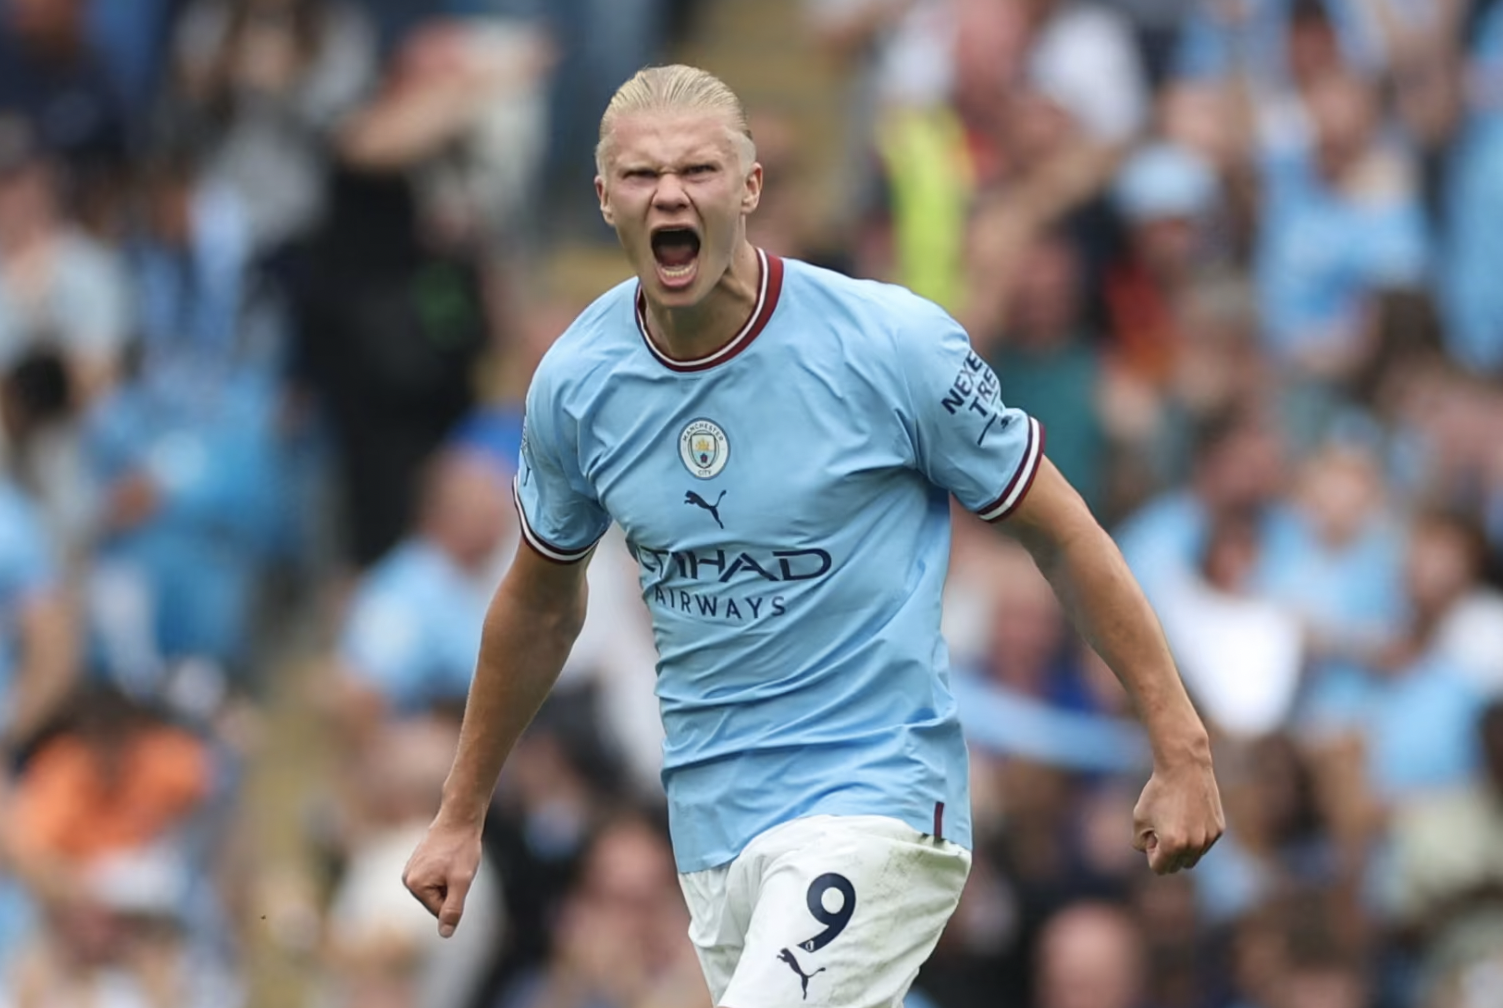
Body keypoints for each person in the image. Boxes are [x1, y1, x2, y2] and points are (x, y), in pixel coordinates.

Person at [402, 64, 1224, 1008]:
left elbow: (1064, 535)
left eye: (699, 170)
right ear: (603, 201)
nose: (670, 193)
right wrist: (460, 813)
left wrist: (1179, 743)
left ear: (749, 188)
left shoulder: (890, 347)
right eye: (640, 176)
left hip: (877, 802)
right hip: (714, 832)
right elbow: (540, 604)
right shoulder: (578, 384)